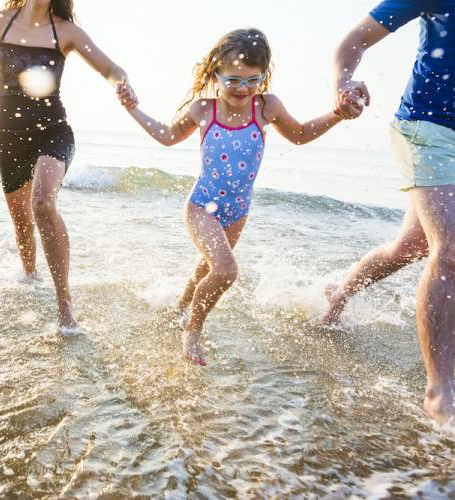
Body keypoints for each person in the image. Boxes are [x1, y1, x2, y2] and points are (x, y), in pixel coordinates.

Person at [117, 29, 361, 365]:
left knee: (206, 269)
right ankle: (192, 330)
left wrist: (337, 114)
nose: (243, 89)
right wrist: (134, 109)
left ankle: (177, 308)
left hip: (237, 211)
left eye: (253, 80)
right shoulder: (204, 109)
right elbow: (168, 136)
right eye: (233, 79)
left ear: (263, 77)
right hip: (201, 207)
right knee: (226, 270)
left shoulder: (267, 106)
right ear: (215, 73)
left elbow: (301, 135)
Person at [0, 0, 131, 334]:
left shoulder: (66, 31)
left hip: (54, 132)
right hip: (10, 137)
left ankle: (64, 302)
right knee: (22, 223)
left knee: (42, 203)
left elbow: (111, 68)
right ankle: (29, 276)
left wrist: (121, 84)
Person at [322, 0, 455, 424]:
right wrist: (344, 82)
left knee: (412, 246)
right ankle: (440, 390)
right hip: (427, 128)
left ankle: (339, 293)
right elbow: (354, 39)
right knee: (450, 249)